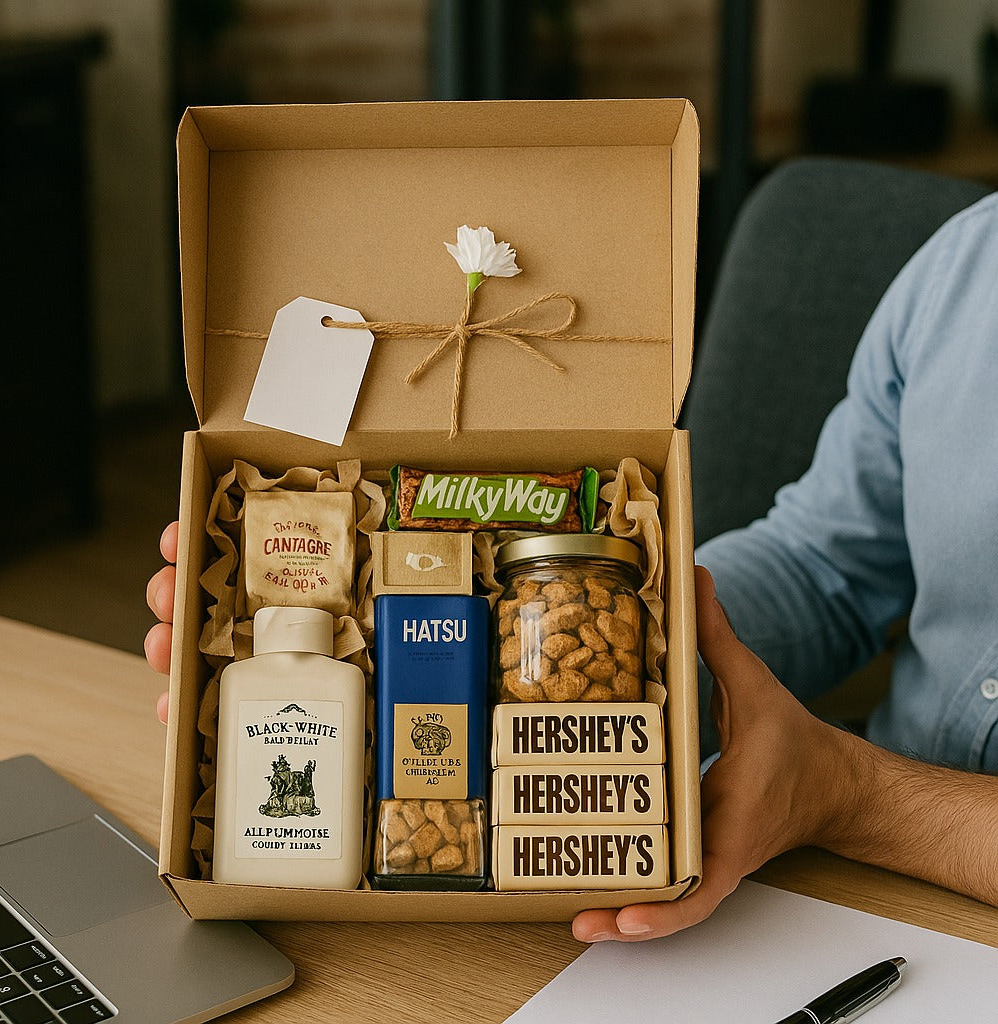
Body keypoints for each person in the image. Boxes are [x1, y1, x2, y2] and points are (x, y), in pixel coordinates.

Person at [145, 193, 998, 942]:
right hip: (843, 894)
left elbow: (841, 781)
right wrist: (667, 636)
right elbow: (824, 560)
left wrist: (846, 792)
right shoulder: (964, 266)